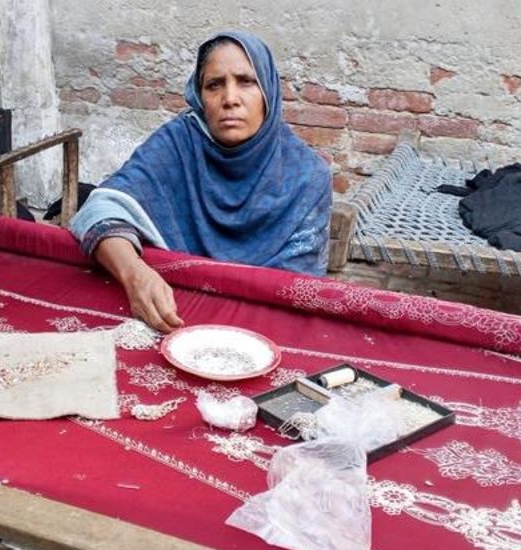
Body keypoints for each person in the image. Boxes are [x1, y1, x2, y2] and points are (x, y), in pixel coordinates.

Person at [70, 31, 332, 332]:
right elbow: (100, 209)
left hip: (260, 329)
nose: (230, 99)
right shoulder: (179, 144)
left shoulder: (306, 175)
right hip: (175, 316)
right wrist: (134, 274)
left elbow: (296, 290)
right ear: (200, 96)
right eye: (214, 85)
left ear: (268, 92)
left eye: (246, 82)